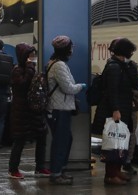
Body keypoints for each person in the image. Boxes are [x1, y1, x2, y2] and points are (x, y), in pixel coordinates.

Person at [91, 37, 138, 185]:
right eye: (130, 51)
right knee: (113, 143)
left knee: (119, 142)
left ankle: (116, 172)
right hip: (114, 110)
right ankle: (110, 175)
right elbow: (112, 91)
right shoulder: (114, 67)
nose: (130, 54)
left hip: (122, 107)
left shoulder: (120, 65)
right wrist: (116, 109)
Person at [46, 35, 86, 185]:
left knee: (65, 140)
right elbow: (68, 87)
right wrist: (81, 86)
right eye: (71, 47)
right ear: (65, 49)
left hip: (60, 108)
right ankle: (56, 174)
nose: (72, 50)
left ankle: (60, 170)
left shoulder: (55, 63)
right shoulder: (59, 65)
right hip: (58, 109)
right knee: (61, 142)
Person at [7, 43, 51, 179]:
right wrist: (30, 68)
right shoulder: (17, 70)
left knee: (41, 136)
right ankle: (13, 169)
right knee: (20, 140)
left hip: (34, 110)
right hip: (21, 111)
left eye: (34, 55)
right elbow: (23, 84)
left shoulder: (29, 69)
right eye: (30, 55)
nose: (32, 58)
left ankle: (40, 167)